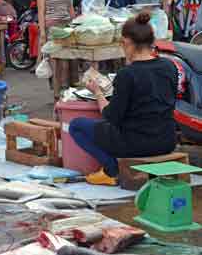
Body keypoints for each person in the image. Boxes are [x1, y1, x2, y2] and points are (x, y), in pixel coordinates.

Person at [69, 12, 177, 185]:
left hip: (136, 144)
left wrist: (97, 93)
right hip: (167, 140)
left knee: (76, 126)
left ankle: (111, 171)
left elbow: (111, 117)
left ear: (127, 43)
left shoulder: (127, 74)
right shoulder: (169, 66)